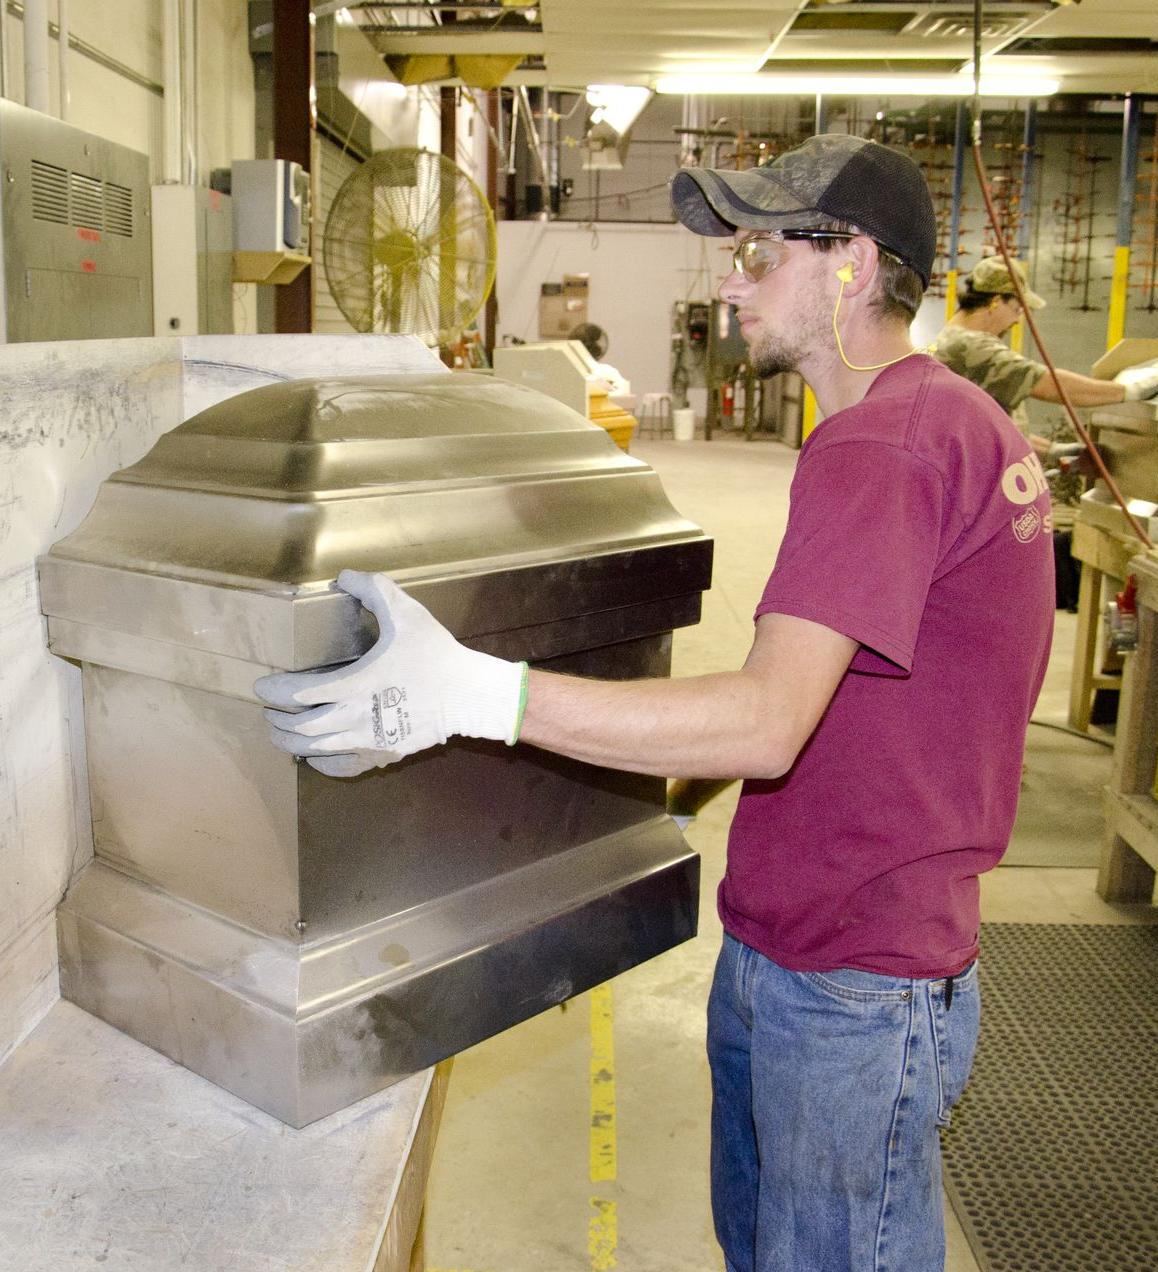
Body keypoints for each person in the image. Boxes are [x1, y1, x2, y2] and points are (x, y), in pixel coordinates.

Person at [255, 134, 1055, 1272]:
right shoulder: (950, 419)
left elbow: (767, 719)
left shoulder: (884, 447)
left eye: (761, 253)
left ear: (854, 263)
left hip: (853, 985)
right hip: (820, 937)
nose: (731, 281)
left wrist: (473, 693)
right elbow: (845, 690)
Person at [933, 255, 1158, 459]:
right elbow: (1047, 384)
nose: (1017, 320)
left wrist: (1053, 450)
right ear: (996, 302)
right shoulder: (971, 346)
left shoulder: (950, 338)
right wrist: (1129, 391)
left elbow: (990, 429)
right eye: (1017, 309)